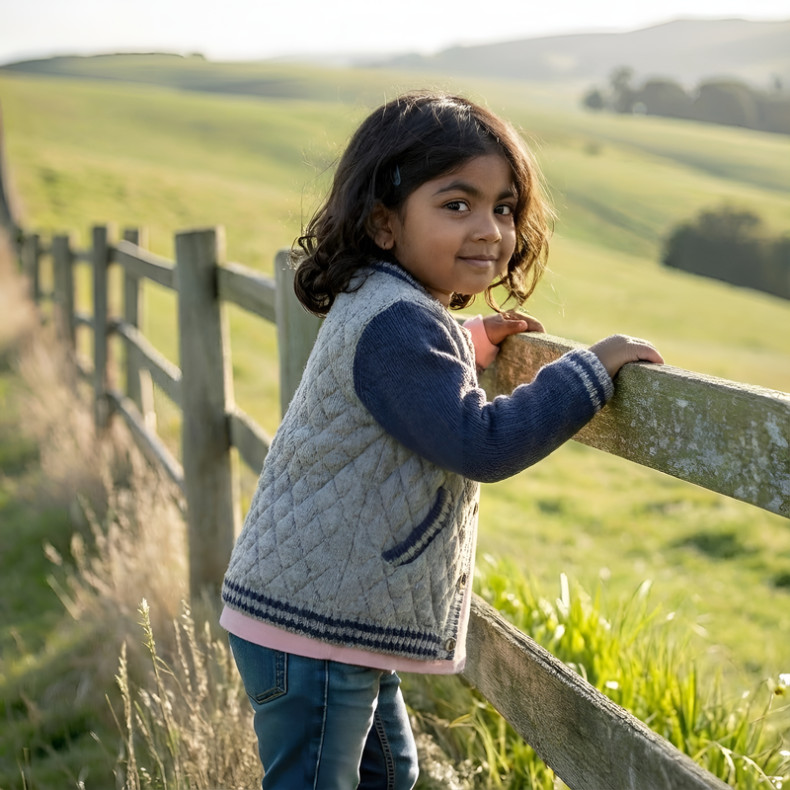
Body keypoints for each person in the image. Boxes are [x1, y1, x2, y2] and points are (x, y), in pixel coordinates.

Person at [220, 91, 663, 789]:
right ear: (384, 222)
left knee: (391, 775)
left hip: (327, 616)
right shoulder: (397, 323)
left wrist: (472, 339)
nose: (489, 228)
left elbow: (414, 371)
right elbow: (478, 442)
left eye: (505, 207)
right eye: (457, 205)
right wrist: (585, 372)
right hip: (318, 632)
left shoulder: (388, 304)